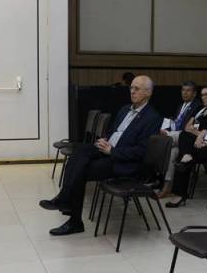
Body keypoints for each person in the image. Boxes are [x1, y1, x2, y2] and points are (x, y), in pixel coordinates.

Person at [40, 75, 163, 235]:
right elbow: (114, 132)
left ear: (148, 92)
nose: (132, 91)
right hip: (108, 150)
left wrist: (112, 151)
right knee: (79, 151)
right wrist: (105, 140)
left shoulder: (152, 118)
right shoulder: (125, 109)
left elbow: (141, 151)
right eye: (131, 88)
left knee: (80, 169)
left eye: (137, 89)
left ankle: (72, 217)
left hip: (123, 162)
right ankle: (65, 202)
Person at [159, 85, 207, 198]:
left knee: (171, 140)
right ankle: (167, 186)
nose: (203, 97)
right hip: (188, 140)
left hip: (201, 143)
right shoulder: (200, 109)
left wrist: (196, 133)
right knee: (174, 151)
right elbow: (187, 127)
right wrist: (198, 132)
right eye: (202, 95)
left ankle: (167, 139)